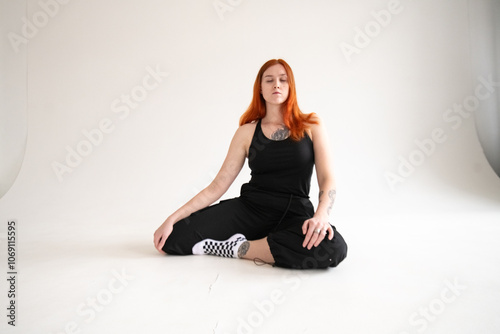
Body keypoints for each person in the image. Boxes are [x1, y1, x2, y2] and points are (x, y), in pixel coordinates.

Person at [153, 59, 347, 269]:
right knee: (173, 239)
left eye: (283, 80)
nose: (276, 85)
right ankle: (267, 244)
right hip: (251, 210)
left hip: (294, 213)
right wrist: (172, 218)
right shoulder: (247, 132)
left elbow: (327, 179)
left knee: (333, 248)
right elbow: (217, 186)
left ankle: (238, 248)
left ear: (291, 87)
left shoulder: (311, 124)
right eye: (269, 80)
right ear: (260, 89)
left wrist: (321, 216)